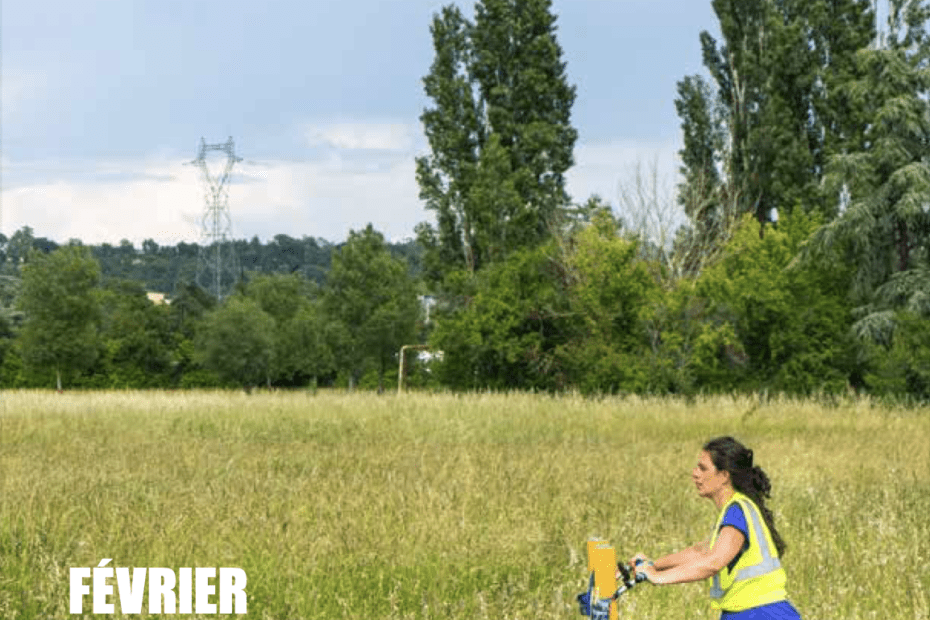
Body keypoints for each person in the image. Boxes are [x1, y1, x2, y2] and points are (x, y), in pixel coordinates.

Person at [627, 436, 802, 619]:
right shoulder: (734, 510)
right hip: (747, 612)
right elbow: (701, 552)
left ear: (724, 476)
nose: (695, 473)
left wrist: (657, 577)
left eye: (703, 468)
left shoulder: (737, 512)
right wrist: (652, 565)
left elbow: (713, 562)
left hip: (760, 613)